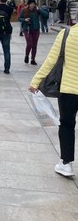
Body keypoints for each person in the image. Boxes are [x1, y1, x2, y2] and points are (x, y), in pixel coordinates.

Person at [28, 24, 78, 178]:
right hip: (69, 88)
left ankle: (66, 164)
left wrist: (36, 81)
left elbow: (51, 60)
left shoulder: (66, 34)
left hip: (69, 89)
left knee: (67, 125)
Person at [19, 0, 42, 65]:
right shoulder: (24, 10)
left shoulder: (37, 11)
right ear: (28, 4)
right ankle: (26, 55)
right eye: (31, 4)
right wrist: (24, 19)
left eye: (33, 4)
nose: (32, 5)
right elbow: (19, 18)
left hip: (36, 29)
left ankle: (33, 59)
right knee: (29, 44)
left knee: (34, 45)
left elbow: (46, 15)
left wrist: (39, 9)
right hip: (27, 29)